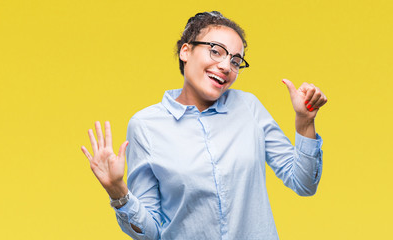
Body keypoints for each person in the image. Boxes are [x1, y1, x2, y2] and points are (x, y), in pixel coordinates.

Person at [81, 11, 327, 240]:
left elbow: (304, 183)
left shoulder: (248, 107)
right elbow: (151, 233)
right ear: (185, 52)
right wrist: (118, 192)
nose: (225, 66)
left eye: (235, 61)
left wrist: (305, 122)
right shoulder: (145, 126)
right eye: (216, 51)